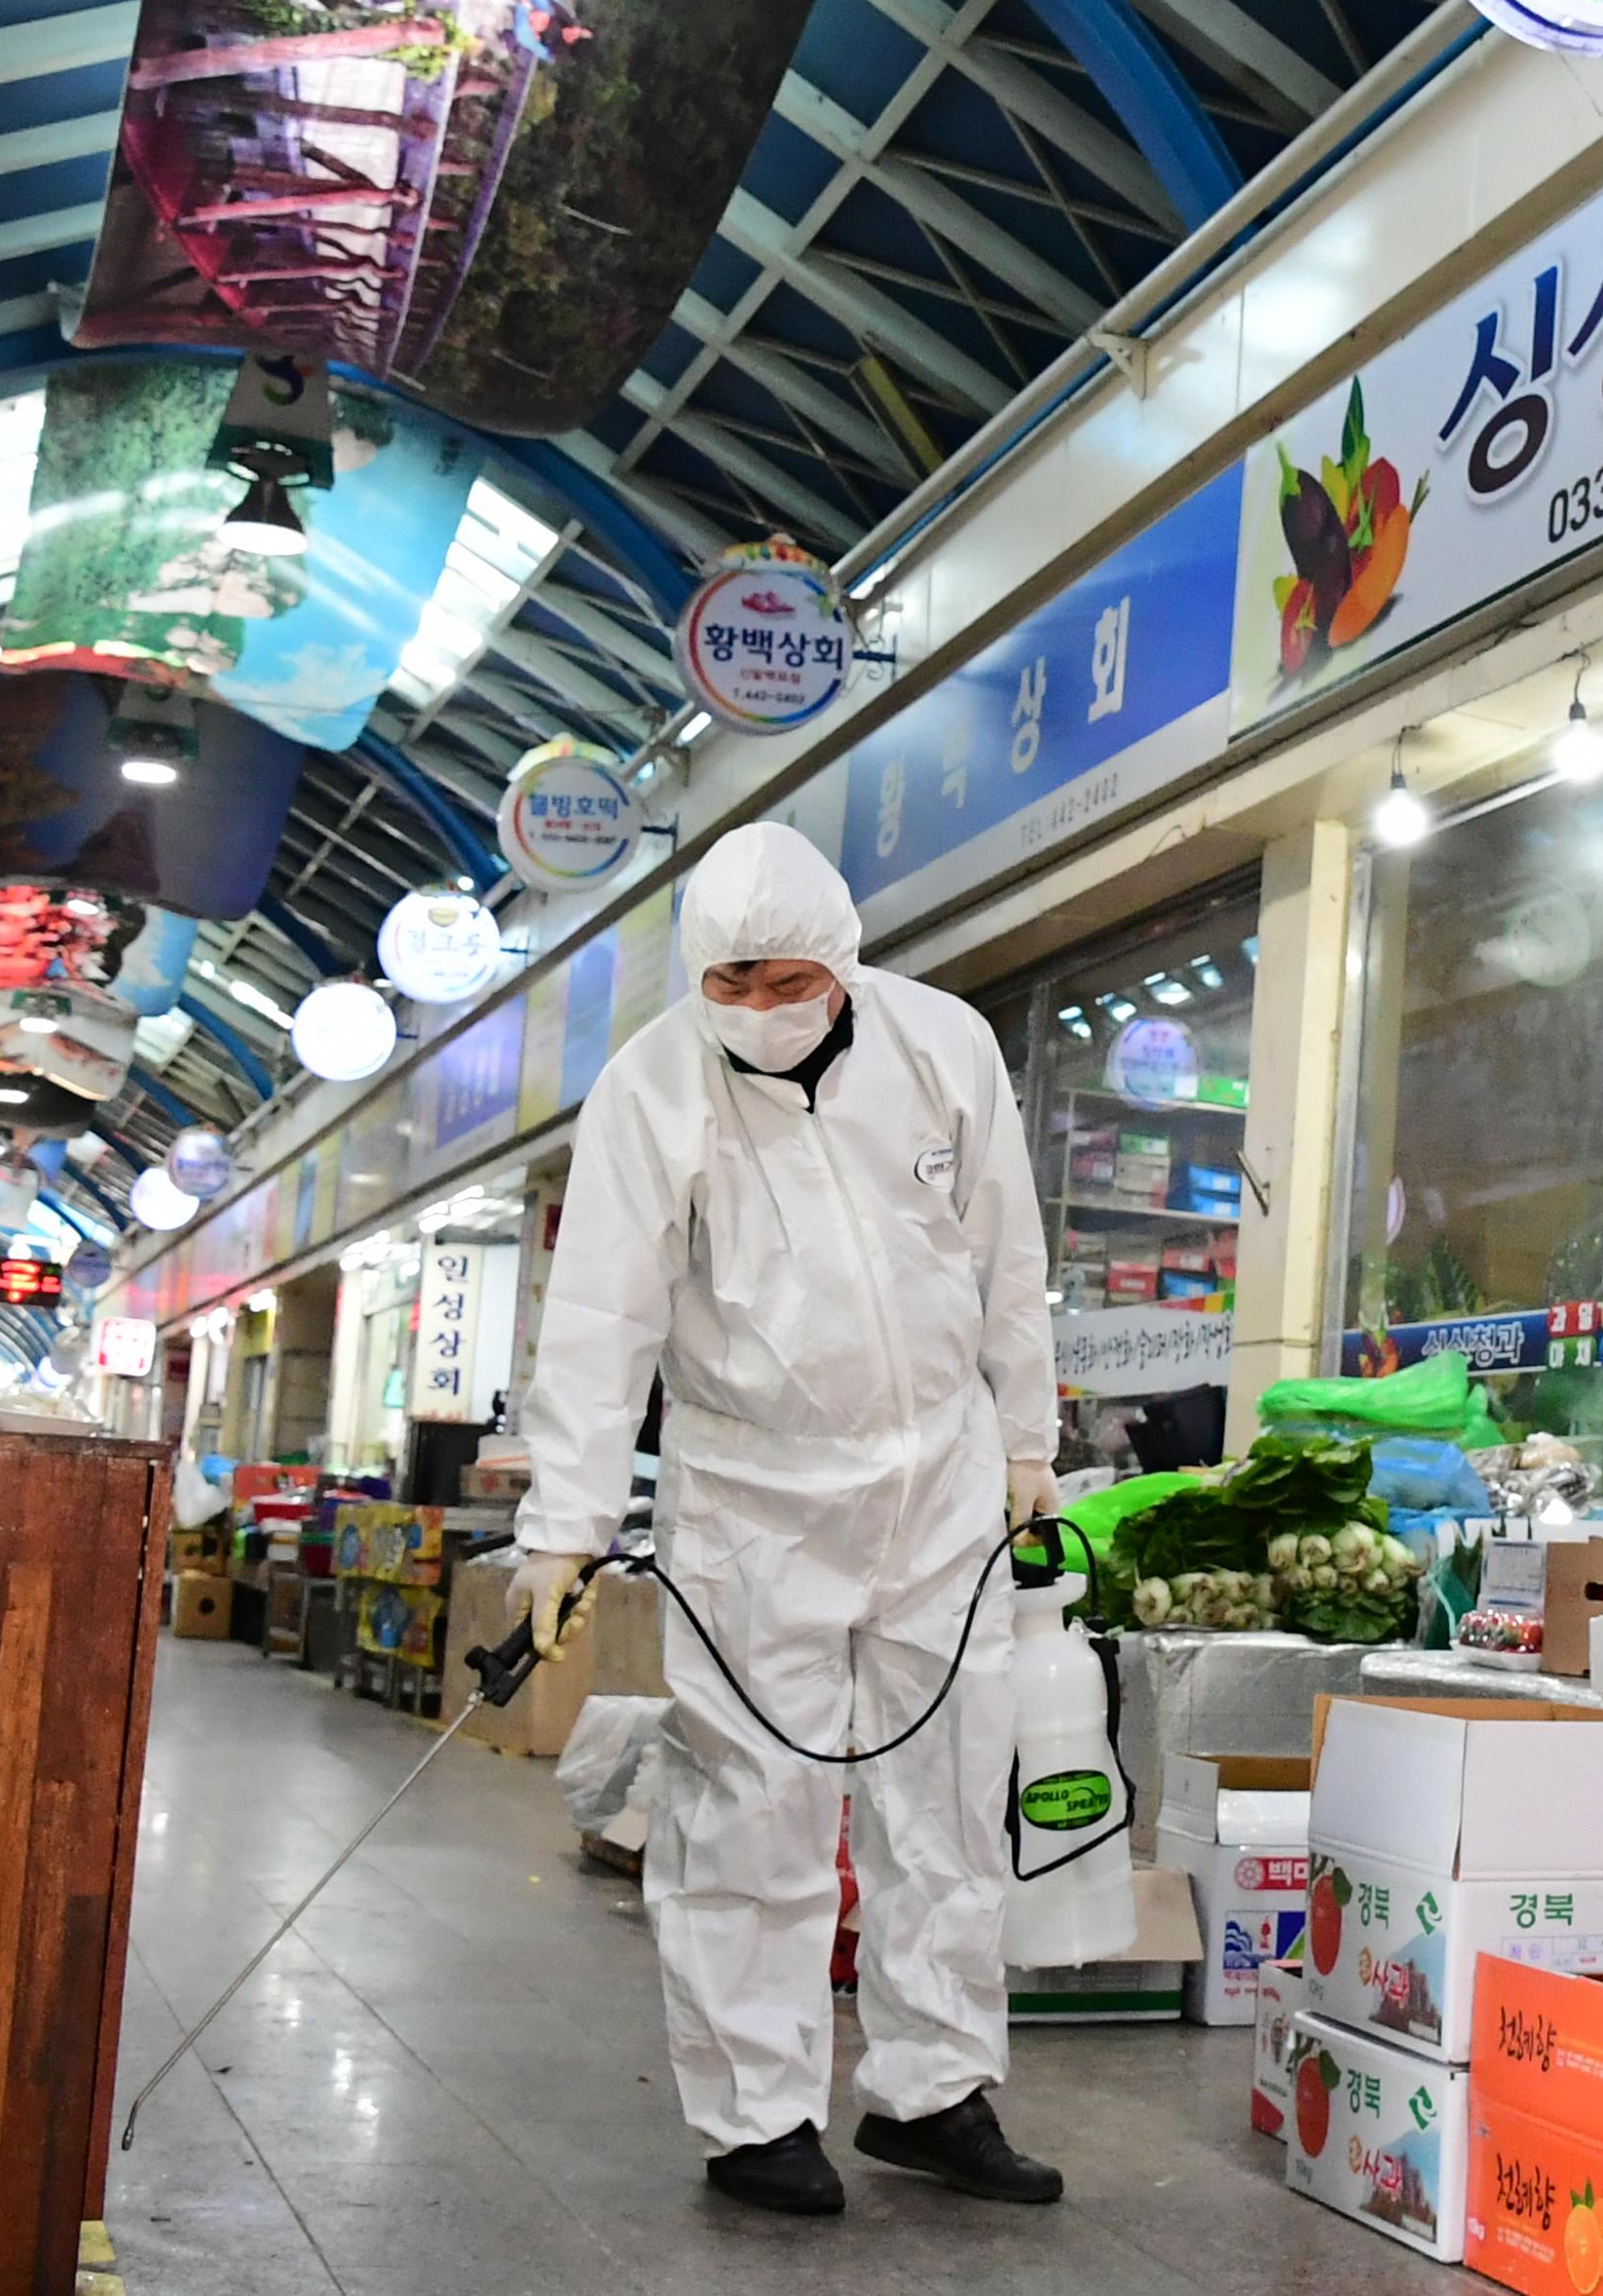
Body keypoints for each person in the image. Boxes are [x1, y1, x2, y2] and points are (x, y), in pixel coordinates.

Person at [507, 824, 1063, 2217]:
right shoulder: (652, 1089)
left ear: (844, 957)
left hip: (937, 1482)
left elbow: (1010, 1258)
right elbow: (600, 1319)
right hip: (753, 1501)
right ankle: (758, 2117)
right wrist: (562, 1525)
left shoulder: (943, 1047)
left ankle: (934, 2092)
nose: (761, 1004)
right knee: (752, 1806)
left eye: (788, 976)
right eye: (734, 981)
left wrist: (1028, 1444)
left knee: (946, 1798)